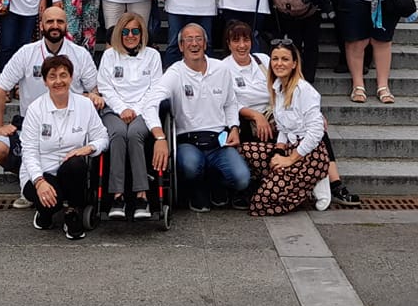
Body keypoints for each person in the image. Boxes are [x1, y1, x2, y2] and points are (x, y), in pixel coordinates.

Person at [0, 5, 100, 195]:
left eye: (60, 21)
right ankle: (29, 179)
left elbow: (95, 91)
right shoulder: (27, 52)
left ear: (67, 26)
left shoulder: (80, 54)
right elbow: (2, 87)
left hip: (71, 123)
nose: (55, 26)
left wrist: (92, 97)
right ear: (41, 25)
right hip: (31, 124)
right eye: (50, 21)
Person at [144, 24, 251, 213]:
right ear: (181, 46)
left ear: (205, 43)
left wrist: (234, 127)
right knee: (190, 167)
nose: (194, 44)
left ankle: (216, 183)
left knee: (242, 179)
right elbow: (149, 103)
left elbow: (230, 103)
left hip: (219, 141)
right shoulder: (175, 73)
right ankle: (198, 187)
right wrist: (160, 137)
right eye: (188, 40)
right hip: (188, 141)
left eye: (198, 39)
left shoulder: (221, 69)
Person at [237, 40, 333, 216]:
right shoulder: (277, 88)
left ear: (294, 63)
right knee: (244, 150)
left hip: (309, 155)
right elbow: (284, 128)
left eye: (285, 59)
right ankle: (284, 180)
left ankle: (312, 183)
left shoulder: (304, 91)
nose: (279, 63)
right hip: (289, 147)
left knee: (259, 204)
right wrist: (279, 153)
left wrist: (289, 160)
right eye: (275, 59)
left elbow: (316, 132)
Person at [20, 54, 109, 240]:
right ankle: (44, 214)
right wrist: (39, 182)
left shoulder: (85, 105)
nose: (58, 81)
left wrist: (89, 148)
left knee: (77, 164)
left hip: (69, 170)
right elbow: (28, 151)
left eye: (63, 75)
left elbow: (103, 137)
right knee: (52, 202)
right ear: (45, 81)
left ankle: (72, 213)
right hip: (40, 172)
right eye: (52, 76)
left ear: (71, 77)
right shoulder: (35, 109)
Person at [97, 12, 163, 220]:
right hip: (114, 110)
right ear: (119, 33)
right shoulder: (109, 56)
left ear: (142, 33)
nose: (130, 35)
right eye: (125, 31)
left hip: (144, 110)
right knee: (117, 133)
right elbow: (105, 88)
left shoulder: (153, 56)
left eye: (135, 31)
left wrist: (136, 110)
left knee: (135, 134)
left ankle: (141, 196)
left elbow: (155, 89)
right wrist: (122, 109)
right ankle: (118, 196)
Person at [222, 20, 272, 145]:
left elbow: (283, 87)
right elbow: (228, 102)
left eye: (246, 40)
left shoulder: (264, 59)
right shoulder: (222, 68)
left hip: (273, 112)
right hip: (244, 120)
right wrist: (256, 115)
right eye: (236, 41)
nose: (242, 45)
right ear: (228, 44)